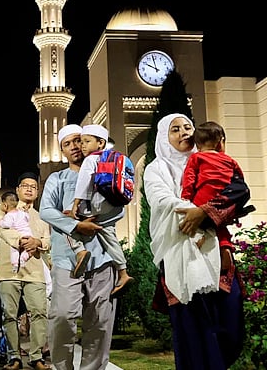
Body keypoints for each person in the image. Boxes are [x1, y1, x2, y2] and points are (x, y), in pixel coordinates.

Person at [144, 113, 245, 369]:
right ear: (164, 137)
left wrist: (204, 212)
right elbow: (161, 199)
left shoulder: (210, 160)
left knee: (230, 326)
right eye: (175, 129)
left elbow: (238, 191)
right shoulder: (157, 169)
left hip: (217, 249)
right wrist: (194, 211)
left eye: (187, 127)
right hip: (180, 251)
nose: (184, 133)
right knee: (193, 329)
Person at [39, 124, 117, 370]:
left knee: (100, 323)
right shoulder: (57, 179)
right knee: (62, 316)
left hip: (101, 257)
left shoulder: (104, 174)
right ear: (62, 150)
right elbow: (46, 210)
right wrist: (76, 225)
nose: (75, 147)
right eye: (67, 143)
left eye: (78, 141)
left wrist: (96, 218)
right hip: (67, 260)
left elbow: (120, 207)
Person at [0, 172, 51, 370]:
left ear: (37, 192)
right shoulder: (4, 208)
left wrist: (38, 243)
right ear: (17, 190)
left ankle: (36, 357)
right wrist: (23, 241)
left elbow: (47, 241)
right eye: (25, 186)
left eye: (33, 187)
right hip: (9, 271)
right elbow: (1, 229)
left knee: (39, 313)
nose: (29, 189)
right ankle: (14, 357)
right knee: (9, 315)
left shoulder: (41, 216)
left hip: (34, 271)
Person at [70, 124, 133, 294]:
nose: (82, 145)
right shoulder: (113, 158)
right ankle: (123, 272)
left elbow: (84, 184)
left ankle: (80, 251)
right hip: (114, 206)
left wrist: (76, 205)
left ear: (100, 143)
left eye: (87, 141)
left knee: (69, 223)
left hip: (96, 207)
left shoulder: (90, 160)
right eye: (81, 141)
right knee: (109, 236)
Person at [181, 121, 248, 259]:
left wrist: (186, 198)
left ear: (197, 146)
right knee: (219, 224)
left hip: (202, 199)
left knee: (201, 224)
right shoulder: (229, 160)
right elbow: (240, 178)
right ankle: (225, 246)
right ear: (220, 142)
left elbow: (189, 179)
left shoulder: (196, 157)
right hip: (224, 197)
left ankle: (201, 239)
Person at [0, 191, 39, 273]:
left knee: (14, 249)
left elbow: (7, 225)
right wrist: (26, 211)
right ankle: (24, 257)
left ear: (5, 205)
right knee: (28, 249)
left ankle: (15, 264)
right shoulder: (22, 212)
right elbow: (27, 218)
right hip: (28, 233)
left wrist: (0, 222)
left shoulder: (9, 215)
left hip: (19, 235)